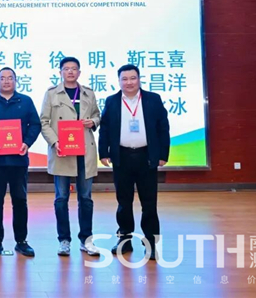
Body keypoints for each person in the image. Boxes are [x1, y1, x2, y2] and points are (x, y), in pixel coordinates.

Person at [98, 64, 170, 261]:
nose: (129, 82)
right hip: (121, 157)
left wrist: (163, 154)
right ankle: (124, 240)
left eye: (133, 78)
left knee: (149, 202)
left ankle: (151, 243)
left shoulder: (153, 99)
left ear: (139, 79)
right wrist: (103, 153)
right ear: (119, 81)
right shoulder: (112, 101)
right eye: (125, 79)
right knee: (123, 202)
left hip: (146, 157)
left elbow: (163, 128)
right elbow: (105, 129)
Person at [0, 67, 41, 257]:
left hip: (19, 159)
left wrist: (27, 142)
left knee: (20, 200)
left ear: (15, 81)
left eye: (10, 78)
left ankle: (21, 241)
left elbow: (35, 124)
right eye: (2, 78)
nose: (6, 81)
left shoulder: (25, 101)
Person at [40, 56, 101, 257]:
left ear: (79, 72)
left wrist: (93, 122)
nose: (70, 72)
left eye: (74, 68)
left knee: (85, 198)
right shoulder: (51, 94)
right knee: (61, 198)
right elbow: (44, 122)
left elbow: (97, 115)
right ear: (60, 72)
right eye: (66, 69)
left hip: (84, 151)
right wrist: (55, 142)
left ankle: (86, 239)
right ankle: (64, 240)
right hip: (62, 151)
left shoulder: (88, 93)